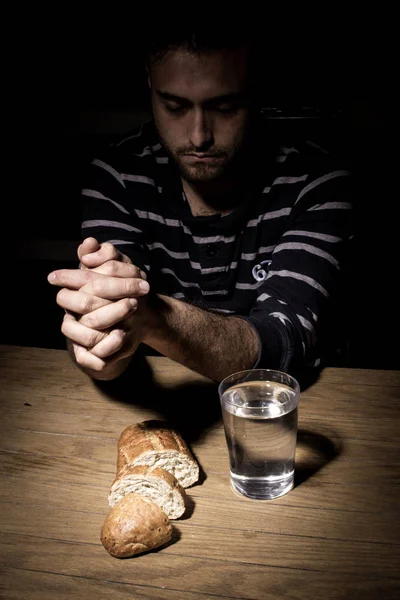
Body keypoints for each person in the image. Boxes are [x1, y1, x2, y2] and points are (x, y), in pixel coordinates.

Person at [47, 28, 353, 382]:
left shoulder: (316, 182)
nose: (199, 136)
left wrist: (153, 316)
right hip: (156, 412)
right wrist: (97, 330)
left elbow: (284, 343)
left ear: (256, 90)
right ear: (149, 82)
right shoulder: (117, 176)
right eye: (174, 106)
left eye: (224, 107)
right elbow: (109, 350)